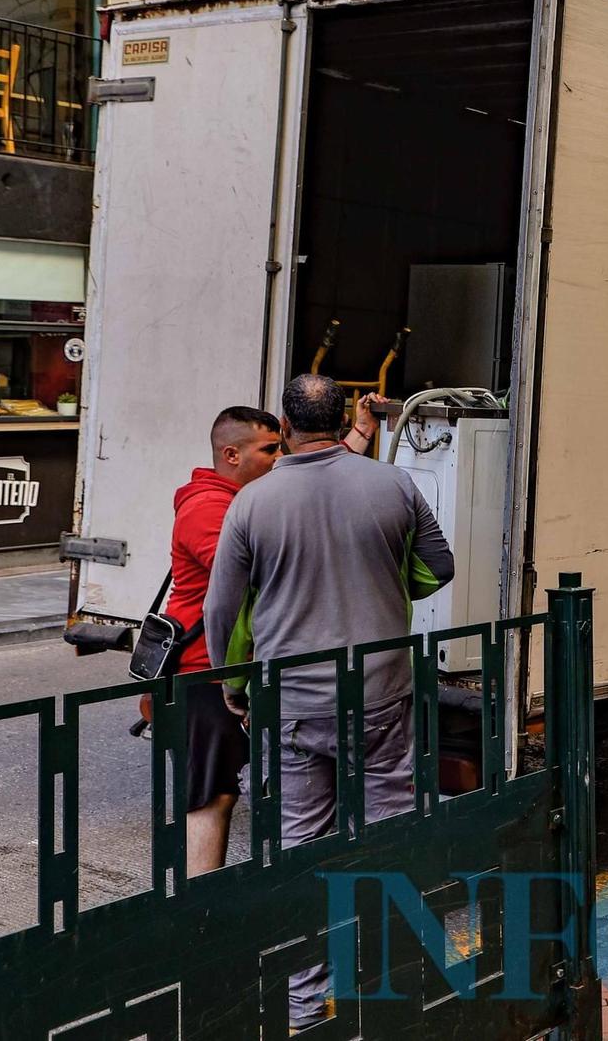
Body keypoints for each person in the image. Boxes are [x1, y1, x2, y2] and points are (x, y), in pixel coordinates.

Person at [205, 374, 454, 1028]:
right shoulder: (392, 483)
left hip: (290, 708)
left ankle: (305, 1011)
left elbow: (220, 607)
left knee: (300, 857)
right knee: (389, 844)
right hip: (380, 700)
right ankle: (391, 990)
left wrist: (235, 687)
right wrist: (385, 574)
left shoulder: (253, 503)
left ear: (284, 429)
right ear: (344, 415)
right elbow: (440, 565)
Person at [166, 405, 281, 877]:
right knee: (211, 795)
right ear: (232, 454)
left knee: (224, 789)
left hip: (230, 668)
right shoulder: (208, 508)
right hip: (204, 672)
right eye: (269, 450)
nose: (280, 459)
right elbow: (257, 574)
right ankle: (201, 909)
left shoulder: (241, 499)